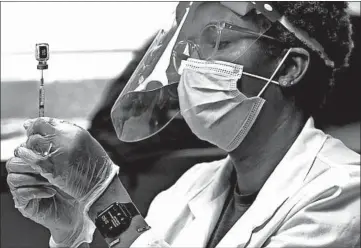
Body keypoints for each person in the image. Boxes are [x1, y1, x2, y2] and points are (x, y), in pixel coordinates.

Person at [6, 2, 360, 248]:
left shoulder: (342, 193)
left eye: (220, 42)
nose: (192, 67)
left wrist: (102, 195)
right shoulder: (189, 188)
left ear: (288, 68)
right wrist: (71, 235)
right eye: (188, 51)